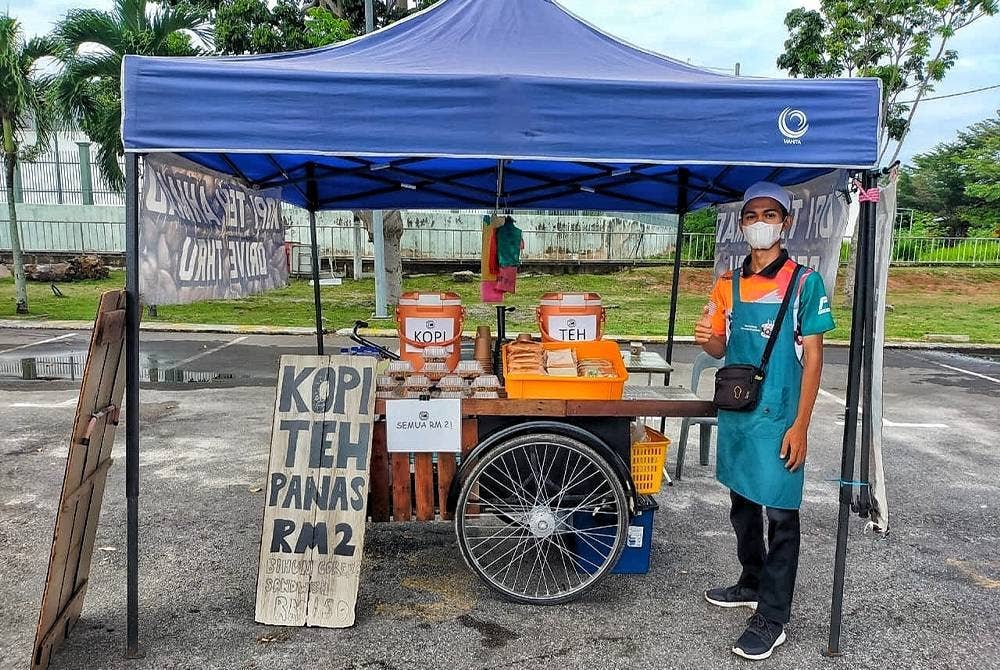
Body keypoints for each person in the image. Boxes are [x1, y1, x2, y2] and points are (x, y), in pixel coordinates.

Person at [693, 181, 835, 661]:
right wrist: (705, 338)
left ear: (786, 222)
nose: (759, 223)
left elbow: (814, 358)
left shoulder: (803, 282)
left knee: (781, 514)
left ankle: (773, 616)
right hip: (738, 413)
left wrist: (802, 425)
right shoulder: (727, 283)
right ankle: (751, 581)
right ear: (742, 223)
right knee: (741, 504)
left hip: (779, 417)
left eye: (769, 215)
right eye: (751, 215)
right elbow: (718, 347)